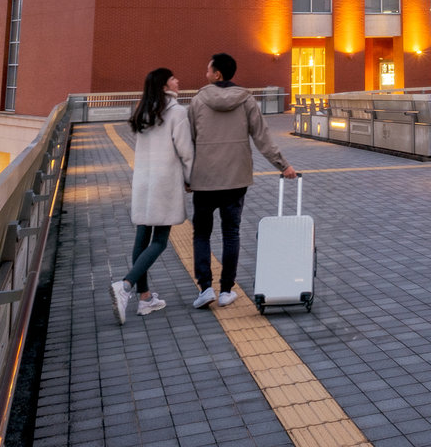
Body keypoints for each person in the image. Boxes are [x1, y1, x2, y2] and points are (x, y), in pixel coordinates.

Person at [187, 53, 297, 308]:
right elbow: (263, 138)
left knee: (201, 234)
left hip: (204, 180)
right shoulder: (247, 101)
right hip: (235, 180)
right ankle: (226, 290)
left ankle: (205, 289)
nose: (205, 74)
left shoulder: (197, 101)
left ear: (217, 74)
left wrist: (186, 176)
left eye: (208, 70)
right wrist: (284, 165)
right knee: (231, 233)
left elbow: (188, 142)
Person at [111, 67, 192, 325]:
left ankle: (145, 298)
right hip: (165, 183)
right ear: (164, 84)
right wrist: (191, 178)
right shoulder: (177, 112)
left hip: (144, 182)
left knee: (142, 237)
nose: (178, 80)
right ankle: (125, 286)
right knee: (160, 241)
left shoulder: (143, 111)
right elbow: (185, 150)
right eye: (173, 78)